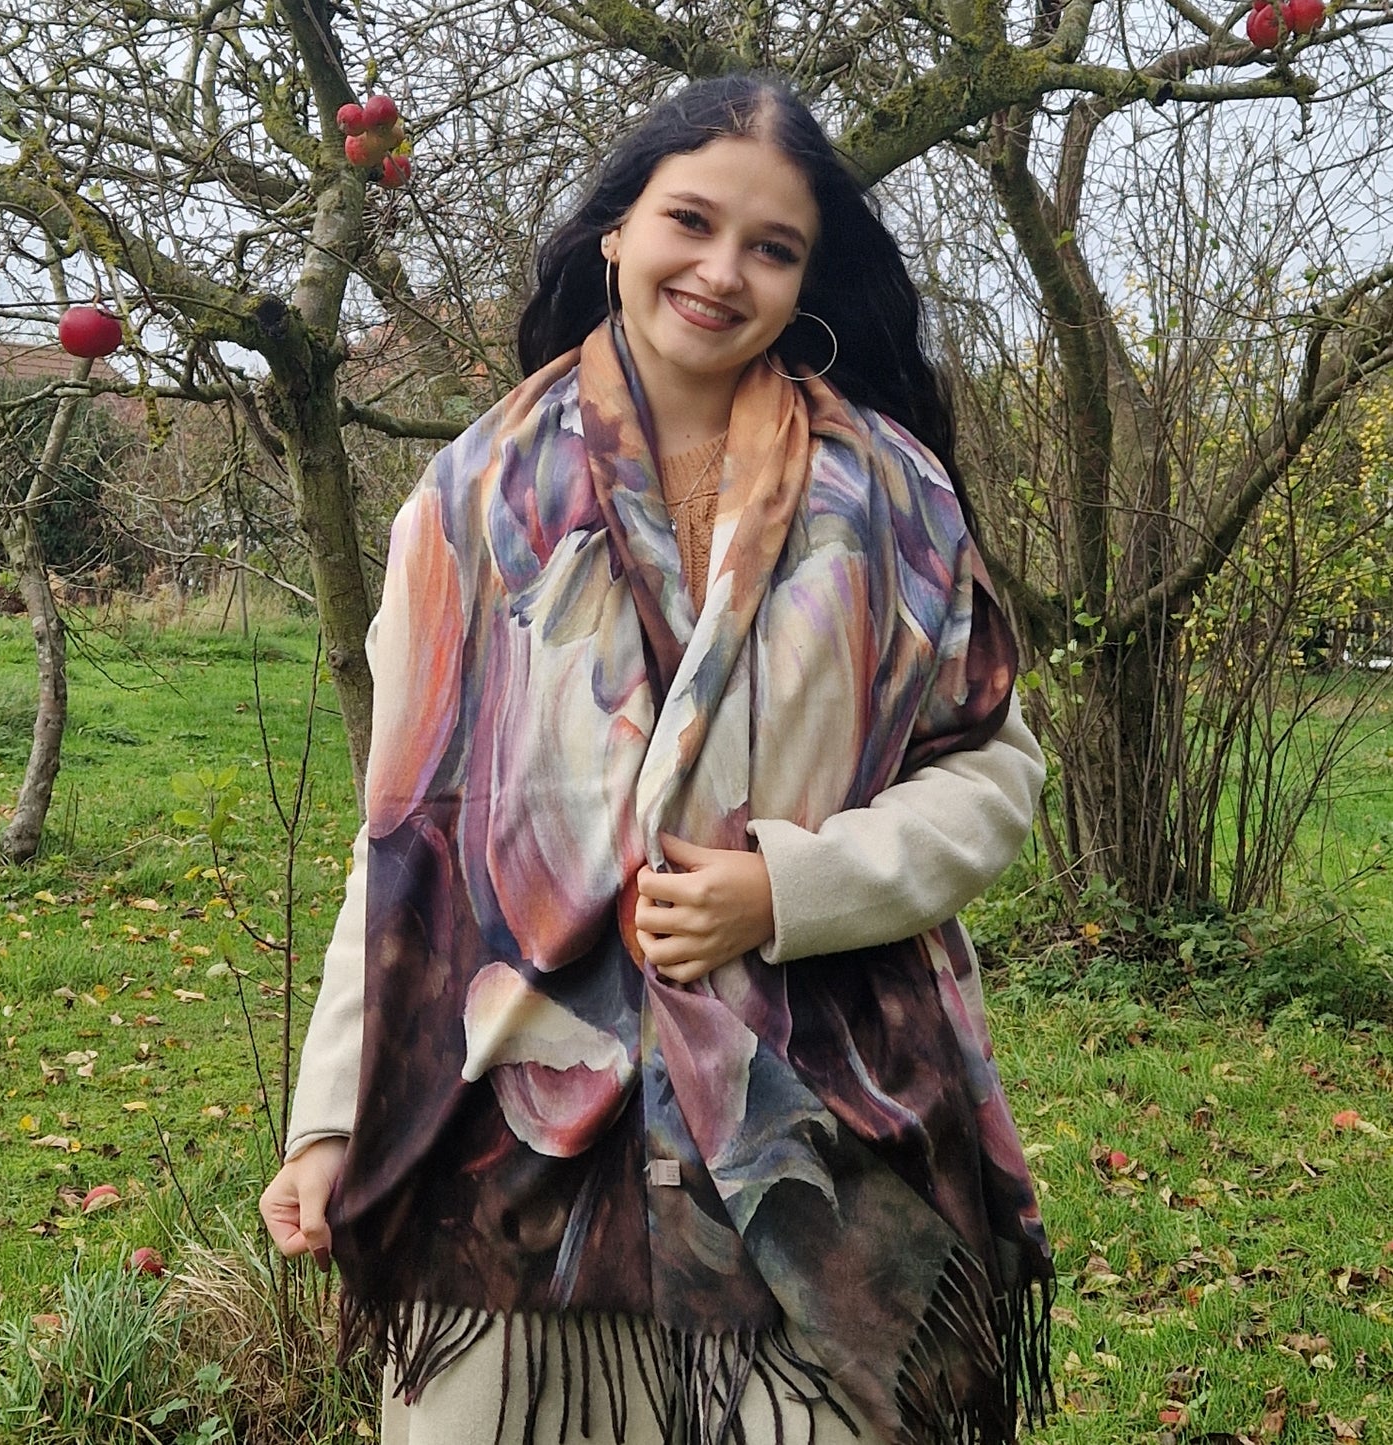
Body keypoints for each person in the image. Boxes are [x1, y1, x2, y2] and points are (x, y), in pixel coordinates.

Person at [261, 73, 1055, 1445]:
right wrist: (329, 1117)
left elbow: (989, 769)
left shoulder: (888, 499)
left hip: (816, 1123)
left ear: (808, 275)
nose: (720, 270)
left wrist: (793, 886)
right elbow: (406, 846)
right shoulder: (468, 502)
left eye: (770, 246)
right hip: (502, 1137)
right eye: (690, 220)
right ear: (615, 231)